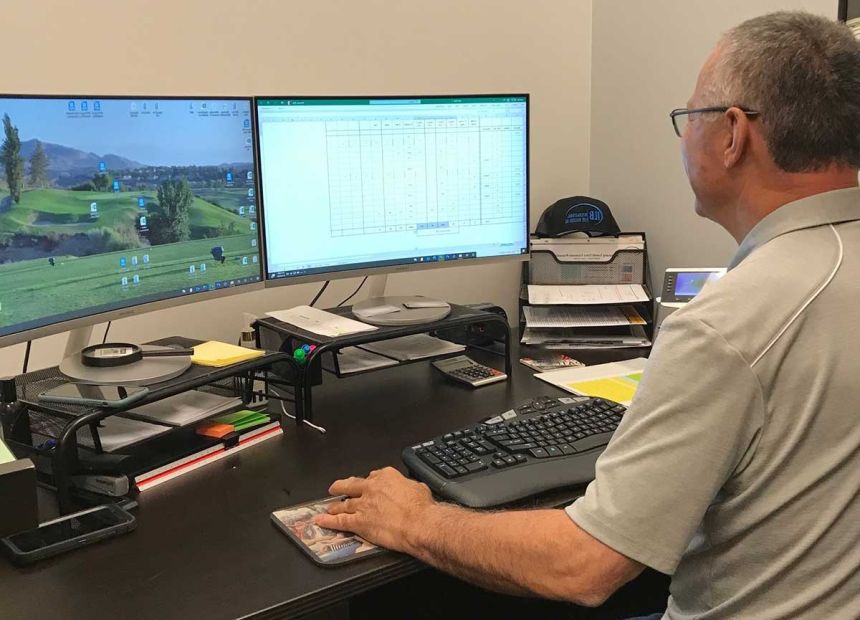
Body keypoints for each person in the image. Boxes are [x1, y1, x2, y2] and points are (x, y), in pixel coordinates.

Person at [316, 12, 860, 619]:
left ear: (732, 135)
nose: (683, 139)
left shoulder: (728, 325)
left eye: (688, 119)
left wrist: (415, 520)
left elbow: (583, 565)